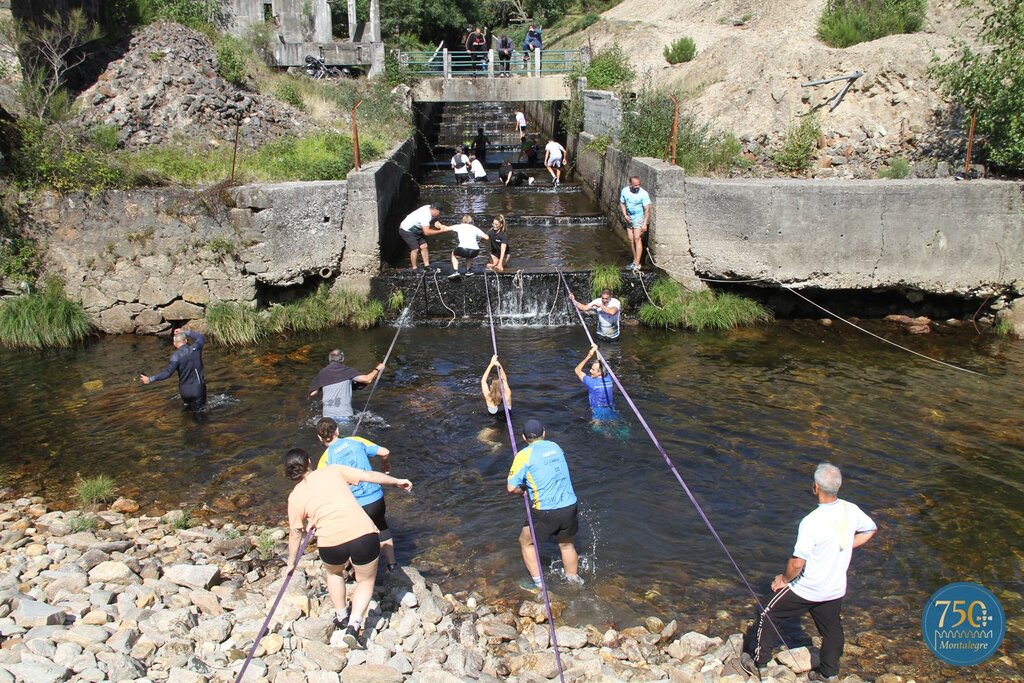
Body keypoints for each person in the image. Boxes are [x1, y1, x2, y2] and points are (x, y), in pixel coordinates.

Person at [740, 463, 877, 682]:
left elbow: (797, 563)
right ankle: (828, 673)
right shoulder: (851, 509)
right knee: (832, 630)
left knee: (767, 613)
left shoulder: (811, 522)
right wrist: (845, 544)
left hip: (808, 588)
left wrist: (783, 579)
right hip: (834, 589)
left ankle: (759, 664)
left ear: (815, 488)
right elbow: (871, 529)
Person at [283, 448, 412, 649]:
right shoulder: (333, 470)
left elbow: (295, 533)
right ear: (310, 461)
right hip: (363, 534)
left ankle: (341, 616)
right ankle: (354, 625)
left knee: (334, 574)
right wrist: (397, 481)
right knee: (365, 580)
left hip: (330, 543)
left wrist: (292, 562)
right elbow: (368, 476)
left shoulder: (294, 497)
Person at [507, 419, 584, 590]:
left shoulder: (523, 455)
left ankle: (539, 586)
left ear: (523, 437)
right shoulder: (556, 447)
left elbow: (511, 488)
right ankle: (573, 583)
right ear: (544, 433)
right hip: (570, 505)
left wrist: (523, 491)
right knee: (566, 545)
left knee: (526, 542)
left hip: (546, 510)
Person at [315, 418, 400, 573]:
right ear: (338, 430)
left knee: (357, 537)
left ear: (320, 438)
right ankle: (392, 565)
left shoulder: (325, 459)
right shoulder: (356, 441)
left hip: (354, 505)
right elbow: (385, 452)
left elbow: (322, 488)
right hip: (375, 498)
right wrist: (385, 464)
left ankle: (360, 572)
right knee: (382, 526)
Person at [140, 328, 207, 415]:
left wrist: (150, 379)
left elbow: (167, 373)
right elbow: (201, 337)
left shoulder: (175, 357)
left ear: (174, 344)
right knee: (200, 415)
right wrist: (185, 331)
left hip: (184, 391)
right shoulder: (196, 348)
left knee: (186, 413)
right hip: (198, 388)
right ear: (186, 340)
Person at [308, 350, 384, 422]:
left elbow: (312, 393)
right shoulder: (347, 371)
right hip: (344, 416)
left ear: (330, 359)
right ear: (342, 359)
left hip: (327, 417)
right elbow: (367, 379)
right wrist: (377, 369)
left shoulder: (322, 373)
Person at [399, 204, 448, 271]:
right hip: (406, 230)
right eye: (439, 213)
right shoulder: (425, 216)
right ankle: (414, 268)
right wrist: (441, 231)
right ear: (435, 210)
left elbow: (434, 219)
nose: (439, 215)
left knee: (424, 246)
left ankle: (427, 265)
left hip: (417, 229)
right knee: (415, 249)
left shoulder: (430, 207)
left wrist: (439, 224)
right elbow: (426, 232)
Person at [574, 344, 615, 422]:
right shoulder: (610, 379)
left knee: (598, 429)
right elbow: (601, 364)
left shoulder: (591, 383)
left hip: (597, 412)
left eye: (593, 369)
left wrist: (589, 356)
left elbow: (577, 370)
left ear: (599, 373)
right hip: (611, 409)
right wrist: (596, 349)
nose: (590, 371)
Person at [619, 176, 652, 271]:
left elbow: (647, 210)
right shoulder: (625, 191)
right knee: (631, 239)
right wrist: (625, 215)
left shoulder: (643, 194)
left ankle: (637, 264)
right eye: (635, 185)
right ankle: (635, 260)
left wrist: (645, 223)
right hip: (629, 219)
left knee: (637, 239)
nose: (638, 186)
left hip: (639, 219)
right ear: (631, 184)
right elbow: (622, 203)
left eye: (639, 184)